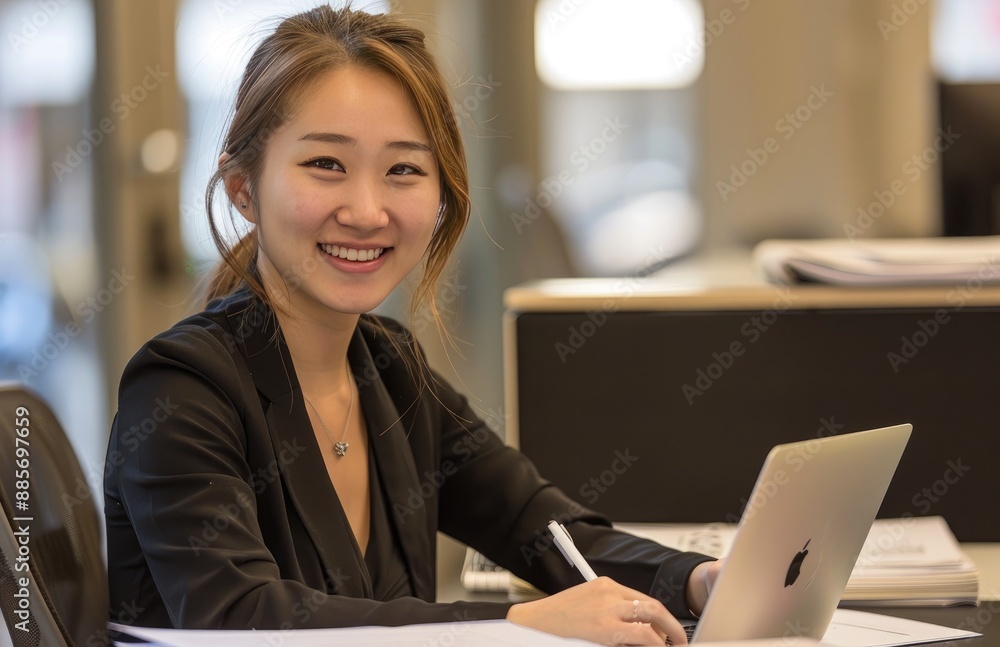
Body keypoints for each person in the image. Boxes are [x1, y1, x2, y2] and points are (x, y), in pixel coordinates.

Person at [103, 6, 719, 646]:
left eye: (403, 170)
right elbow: (242, 617)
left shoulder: (388, 368)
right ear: (243, 189)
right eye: (326, 165)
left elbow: (542, 527)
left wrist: (702, 580)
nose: (368, 212)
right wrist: (509, 624)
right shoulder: (180, 391)